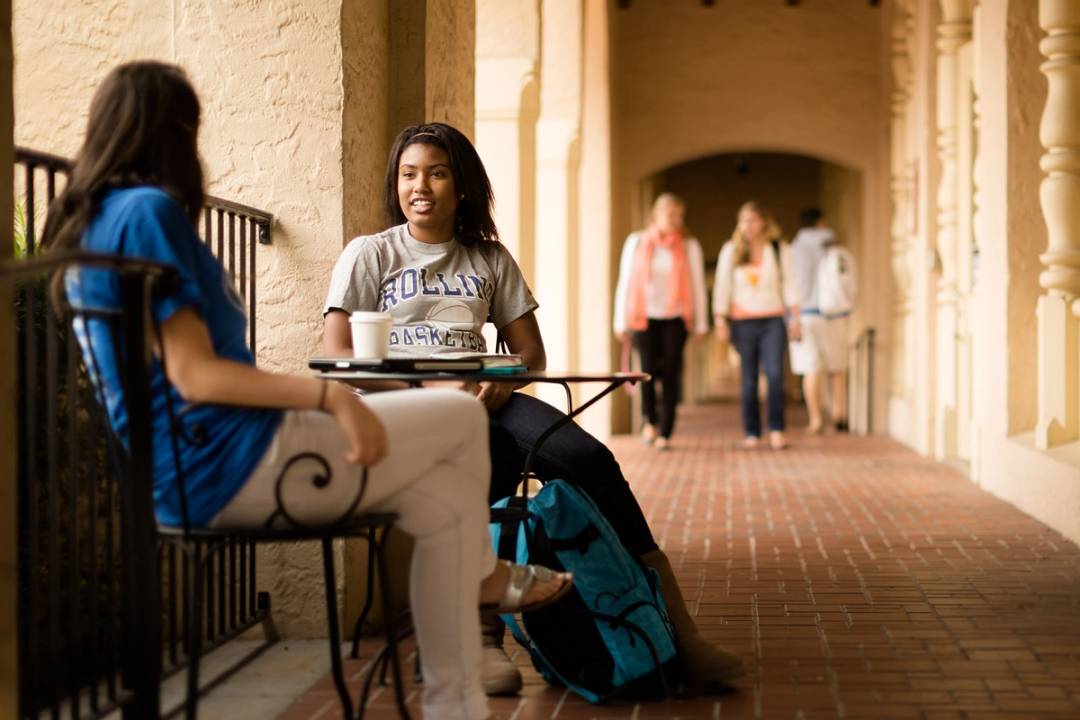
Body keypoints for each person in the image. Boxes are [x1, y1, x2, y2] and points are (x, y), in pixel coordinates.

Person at [44, 62, 570, 720]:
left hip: (185, 469)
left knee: (440, 505)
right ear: (176, 131)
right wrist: (330, 398)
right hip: (228, 463)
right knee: (460, 420)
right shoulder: (148, 211)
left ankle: (457, 696)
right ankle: (481, 598)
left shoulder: (98, 218)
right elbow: (195, 376)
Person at [322, 122, 745, 696]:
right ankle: (478, 636)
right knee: (483, 458)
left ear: (462, 185)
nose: (420, 186)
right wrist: (424, 395)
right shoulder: (370, 254)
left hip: (484, 399)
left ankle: (677, 629)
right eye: (408, 174)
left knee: (586, 457)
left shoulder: (488, 259)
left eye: (437, 173)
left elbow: (531, 353)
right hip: (405, 408)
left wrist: (500, 384)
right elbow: (340, 355)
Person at [613, 193, 708, 451]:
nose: (676, 220)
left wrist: (701, 324)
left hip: (676, 319)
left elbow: (697, 285)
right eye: (671, 215)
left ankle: (666, 430)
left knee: (671, 372)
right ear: (657, 215)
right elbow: (625, 281)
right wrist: (619, 321)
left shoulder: (689, 245)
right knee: (646, 371)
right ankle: (649, 422)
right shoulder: (636, 242)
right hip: (644, 317)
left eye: (680, 216)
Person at [713, 201, 801, 450]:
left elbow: (790, 285)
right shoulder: (731, 251)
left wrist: (795, 319)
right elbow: (722, 287)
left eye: (752, 220)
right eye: (743, 221)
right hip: (743, 322)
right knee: (749, 378)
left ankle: (776, 428)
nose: (747, 226)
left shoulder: (778, 249)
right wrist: (721, 319)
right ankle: (752, 431)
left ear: (764, 221)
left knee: (774, 375)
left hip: (773, 320)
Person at [789, 207, 850, 433]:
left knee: (810, 368)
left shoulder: (793, 249)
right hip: (833, 314)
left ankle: (815, 419)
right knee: (837, 367)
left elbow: (789, 286)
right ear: (821, 222)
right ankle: (839, 414)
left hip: (804, 315)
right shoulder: (833, 245)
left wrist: (791, 318)